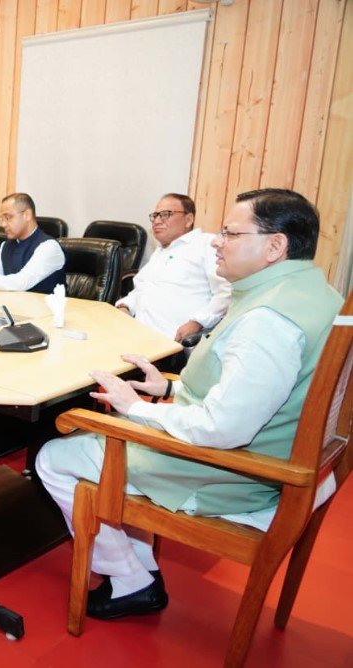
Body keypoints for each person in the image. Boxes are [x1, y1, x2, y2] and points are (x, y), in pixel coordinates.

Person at [36, 188, 342, 620]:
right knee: (118, 433)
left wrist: (136, 407)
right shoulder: (318, 294)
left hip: (236, 474)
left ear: (275, 246)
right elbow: (255, 392)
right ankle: (140, 565)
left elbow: (223, 428)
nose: (217, 242)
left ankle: (130, 580)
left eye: (230, 233)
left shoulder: (267, 320)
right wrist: (167, 390)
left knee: (54, 456)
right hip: (274, 453)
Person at [116, 193, 231, 342]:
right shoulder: (161, 251)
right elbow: (141, 290)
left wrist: (198, 322)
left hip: (171, 342)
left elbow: (226, 292)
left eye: (165, 214)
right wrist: (125, 306)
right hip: (137, 335)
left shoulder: (206, 244)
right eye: (155, 215)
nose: (157, 221)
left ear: (188, 219)